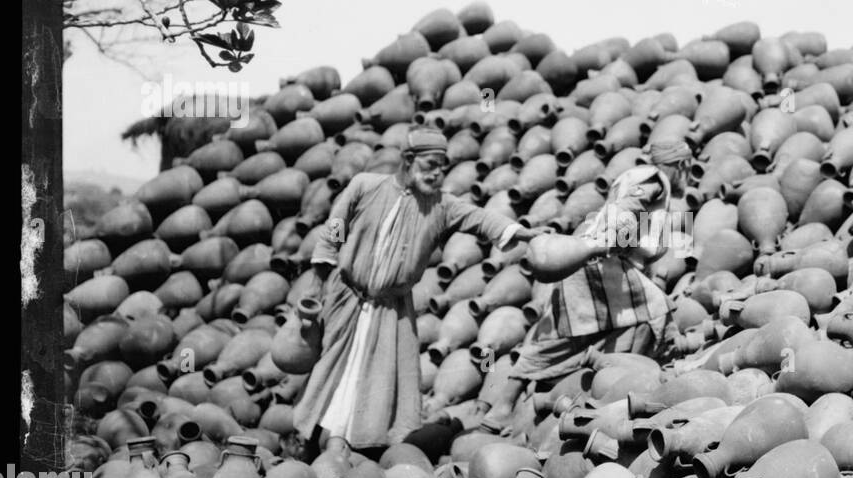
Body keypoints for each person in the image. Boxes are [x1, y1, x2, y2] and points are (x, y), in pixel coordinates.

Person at [293, 126, 534, 452]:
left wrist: (527, 235)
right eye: (430, 164)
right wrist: (317, 284)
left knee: (375, 380)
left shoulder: (442, 206)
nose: (437, 173)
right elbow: (332, 233)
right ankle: (308, 442)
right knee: (330, 368)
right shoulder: (364, 187)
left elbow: (483, 220)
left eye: (442, 166)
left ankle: (356, 448)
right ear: (408, 160)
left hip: (390, 309)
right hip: (345, 298)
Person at [474, 139, 698, 433]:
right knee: (655, 310)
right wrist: (620, 237)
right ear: (680, 165)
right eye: (688, 168)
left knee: (566, 333)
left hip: (593, 260)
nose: (689, 175)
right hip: (601, 262)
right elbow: (626, 209)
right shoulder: (653, 179)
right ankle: (632, 391)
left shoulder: (635, 176)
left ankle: (510, 404)